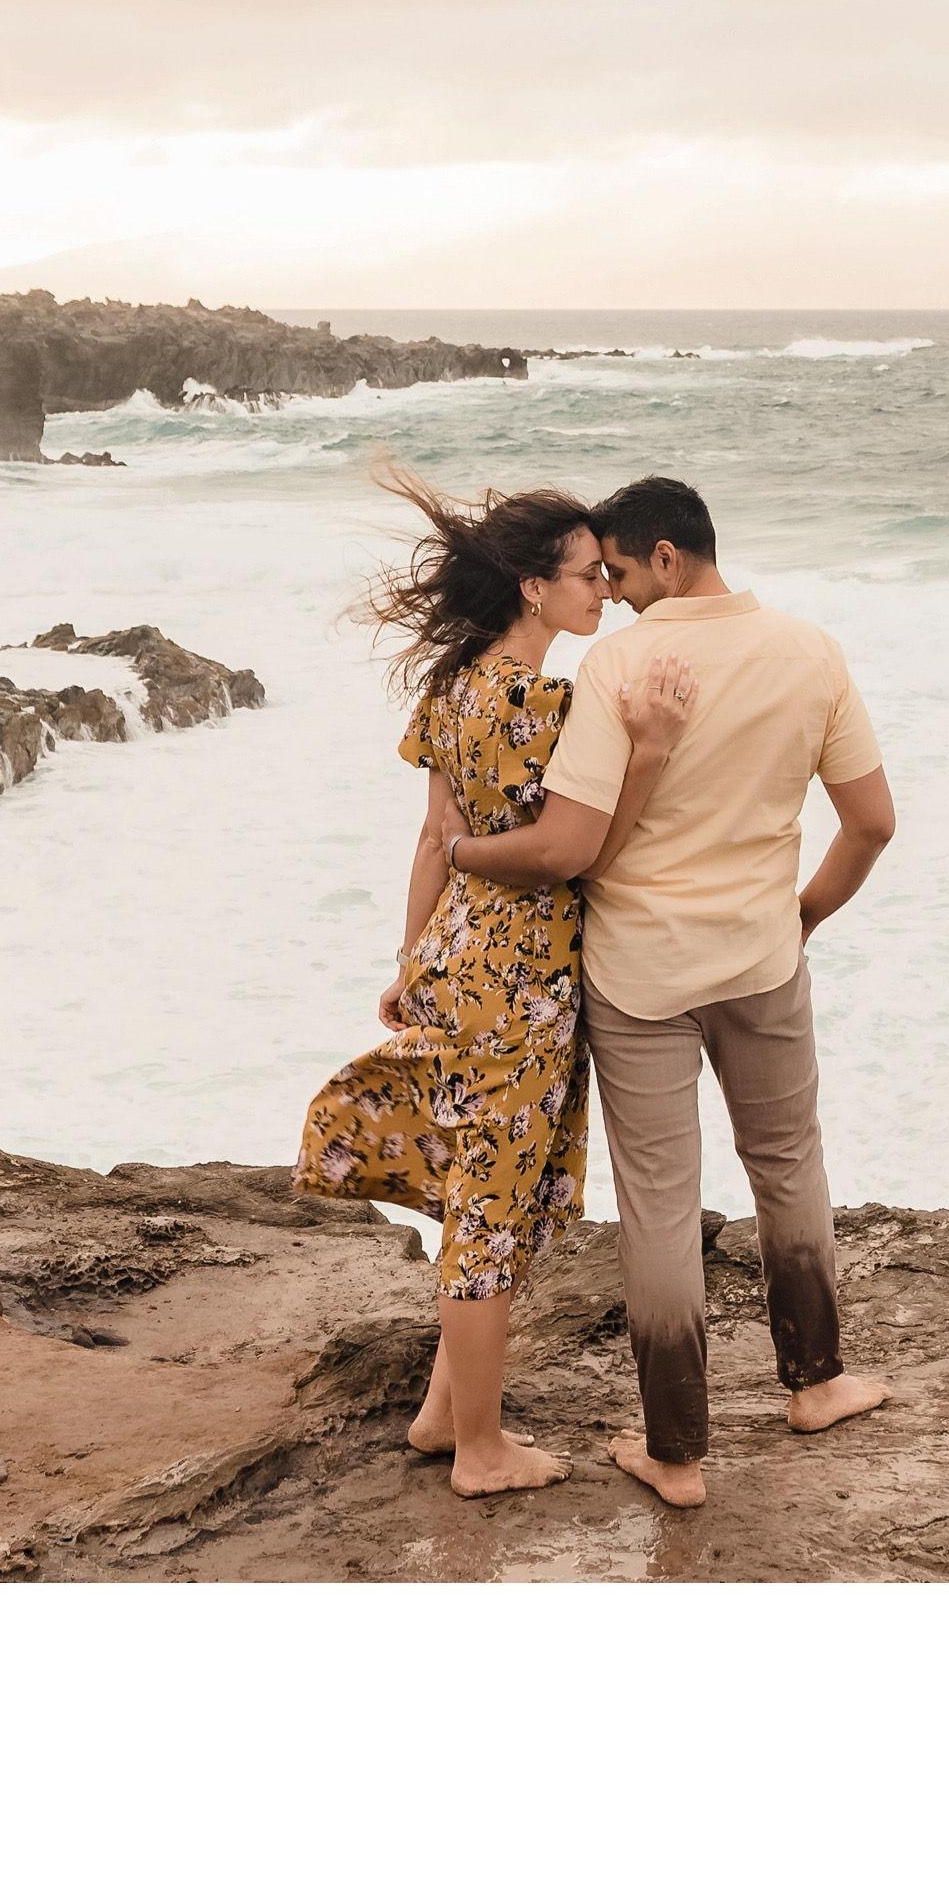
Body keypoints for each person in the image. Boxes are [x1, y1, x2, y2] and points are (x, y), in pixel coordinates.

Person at [441, 473, 895, 1509]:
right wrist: (803, 913)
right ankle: (816, 1382)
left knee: (657, 1204)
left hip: (640, 972)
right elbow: (870, 823)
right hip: (759, 958)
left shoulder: (621, 664)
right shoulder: (808, 650)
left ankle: (676, 1454)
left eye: (616, 569)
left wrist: (457, 848)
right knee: (788, 1161)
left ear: (665, 557)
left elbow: (576, 839)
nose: (611, 588)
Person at [294, 467, 696, 1499]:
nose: (601, 591)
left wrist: (407, 957)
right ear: (530, 586)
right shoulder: (549, 704)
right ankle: (479, 1448)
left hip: (456, 956)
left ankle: (441, 1415)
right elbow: (579, 846)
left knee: (484, 1186)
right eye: (582, 575)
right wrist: (648, 747)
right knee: (491, 1206)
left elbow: (435, 833)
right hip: (521, 978)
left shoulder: (456, 684)